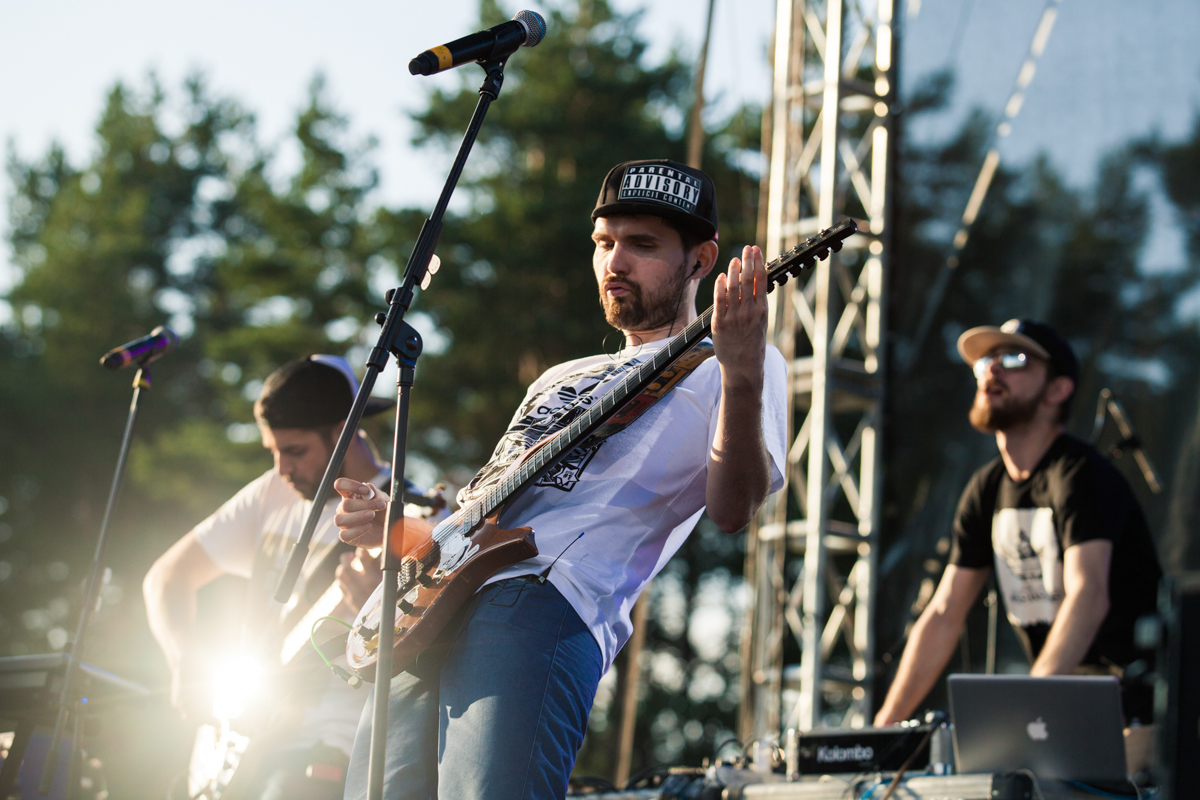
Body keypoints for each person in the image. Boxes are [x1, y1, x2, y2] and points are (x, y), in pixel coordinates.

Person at [332, 159, 789, 799]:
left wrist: (742, 375)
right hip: (432, 608)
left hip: (543, 600)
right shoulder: (558, 376)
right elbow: (473, 525)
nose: (615, 262)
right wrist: (394, 524)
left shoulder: (736, 362)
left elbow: (733, 508)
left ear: (701, 259)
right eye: (604, 243)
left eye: (643, 245)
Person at [144, 355, 430, 800]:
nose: (281, 468)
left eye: (295, 451)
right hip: (236, 738)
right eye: (273, 451)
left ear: (342, 431)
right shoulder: (271, 492)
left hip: (328, 746)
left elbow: (436, 663)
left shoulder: (411, 518)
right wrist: (184, 661)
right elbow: (167, 577)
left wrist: (378, 612)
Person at [874, 319, 1162, 727]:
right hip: (1059, 709)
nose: (992, 368)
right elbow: (943, 613)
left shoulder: (1080, 474)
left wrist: (1029, 708)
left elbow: (1089, 593)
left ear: (1057, 390)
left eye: (1014, 358)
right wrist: (882, 731)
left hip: (1137, 713)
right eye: (986, 361)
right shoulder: (985, 487)